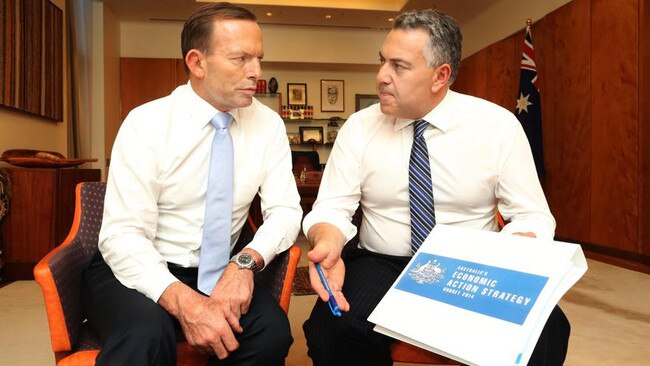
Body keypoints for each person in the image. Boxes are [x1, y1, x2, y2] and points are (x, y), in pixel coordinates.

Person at [302, 9, 570, 366]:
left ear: (440, 76)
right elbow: (332, 208)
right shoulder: (359, 128)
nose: (381, 77)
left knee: (546, 328)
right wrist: (328, 241)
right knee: (332, 325)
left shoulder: (497, 126)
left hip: (472, 265)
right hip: (383, 262)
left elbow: (531, 214)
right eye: (382, 61)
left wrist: (516, 249)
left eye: (399, 66)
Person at [82, 3, 302, 365]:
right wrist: (183, 300)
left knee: (272, 333)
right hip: (136, 264)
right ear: (197, 63)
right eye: (241, 59)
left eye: (259, 58)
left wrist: (243, 265)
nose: (257, 72)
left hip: (221, 268)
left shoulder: (269, 125)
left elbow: (285, 211)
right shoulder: (146, 124)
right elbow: (122, 236)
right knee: (145, 334)